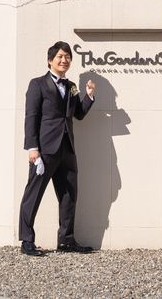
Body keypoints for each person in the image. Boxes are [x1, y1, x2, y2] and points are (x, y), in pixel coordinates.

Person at [18, 41, 96, 256]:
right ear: (50, 60)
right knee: (33, 195)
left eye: (68, 57)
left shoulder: (71, 86)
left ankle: (66, 240)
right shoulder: (37, 84)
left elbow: (78, 114)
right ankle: (27, 241)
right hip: (44, 150)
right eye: (60, 56)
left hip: (67, 149)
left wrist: (89, 96)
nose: (64, 60)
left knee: (69, 195)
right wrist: (32, 148)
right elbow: (31, 117)